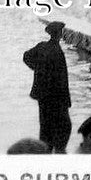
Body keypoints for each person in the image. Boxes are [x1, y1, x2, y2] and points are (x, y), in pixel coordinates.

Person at [22, 21, 71, 153]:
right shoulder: (57, 52)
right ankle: (59, 151)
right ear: (59, 34)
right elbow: (62, 80)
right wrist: (66, 102)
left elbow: (26, 56)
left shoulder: (42, 47)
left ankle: (45, 152)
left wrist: (36, 68)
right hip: (56, 98)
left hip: (42, 96)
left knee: (45, 127)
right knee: (64, 125)